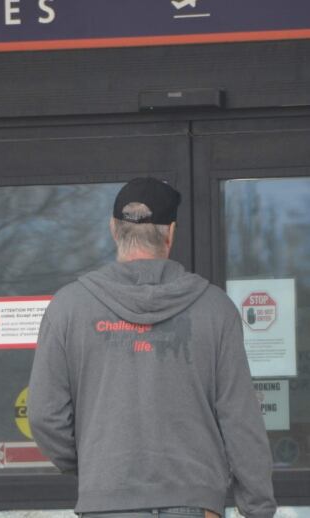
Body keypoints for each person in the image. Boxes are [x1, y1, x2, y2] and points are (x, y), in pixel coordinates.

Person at [27, 177, 275, 518]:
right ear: (170, 233)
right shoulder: (216, 309)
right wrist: (258, 507)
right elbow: (241, 420)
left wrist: (95, 463)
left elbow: (44, 415)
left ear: (114, 229)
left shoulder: (68, 308)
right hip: (194, 502)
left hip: (107, 504)